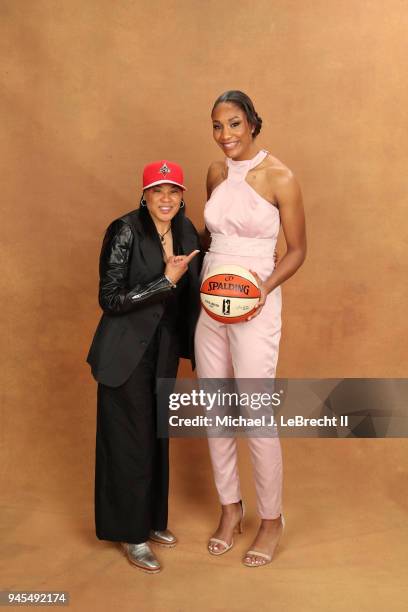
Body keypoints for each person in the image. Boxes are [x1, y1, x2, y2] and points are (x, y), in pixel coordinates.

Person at [194, 90, 306, 567]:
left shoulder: (281, 177)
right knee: (215, 406)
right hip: (209, 302)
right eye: (218, 126)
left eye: (235, 125)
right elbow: (213, 237)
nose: (226, 137)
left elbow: (298, 250)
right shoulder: (216, 172)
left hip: (256, 303)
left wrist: (263, 288)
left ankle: (271, 520)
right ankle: (229, 508)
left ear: (253, 124)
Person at [86, 160, 200, 573]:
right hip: (124, 350)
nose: (166, 198)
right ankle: (131, 534)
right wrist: (164, 282)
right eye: (158, 190)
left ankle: (152, 521)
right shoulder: (125, 230)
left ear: (182, 195)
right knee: (129, 443)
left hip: (163, 348)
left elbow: (207, 276)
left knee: (155, 436)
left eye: (173, 191)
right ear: (144, 195)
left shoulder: (187, 232)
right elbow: (111, 298)